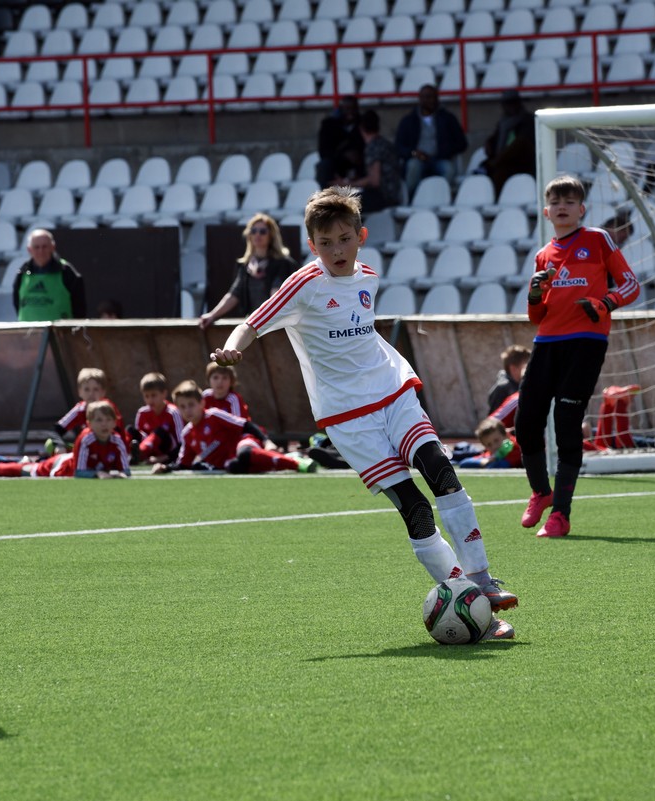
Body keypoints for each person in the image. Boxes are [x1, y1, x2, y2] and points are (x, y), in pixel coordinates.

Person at [211, 186, 518, 640]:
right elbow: (250, 322)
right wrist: (232, 349)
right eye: (326, 243)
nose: (337, 250)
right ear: (312, 245)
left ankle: (482, 580)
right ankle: (469, 602)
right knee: (415, 508)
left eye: (344, 239)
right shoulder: (303, 284)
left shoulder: (369, 277)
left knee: (440, 469)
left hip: (393, 393)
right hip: (348, 419)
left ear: (361, 236)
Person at [515, 175, 641, 539]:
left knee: (567, 423)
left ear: (581, 209)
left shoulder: (598, 240)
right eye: (556, 202)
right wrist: (534, 295)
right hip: (546, 342)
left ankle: (561, 515)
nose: (562, 207)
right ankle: (540, 492)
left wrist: (605, 303)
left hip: (586, 342)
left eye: (570, 202)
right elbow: (537, 315)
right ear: (546, 212)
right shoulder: (543, 255)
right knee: (525, 422)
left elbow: (630, 284)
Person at [151, 380, 313, 474]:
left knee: (245, 453)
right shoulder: (187, 434)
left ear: (202, 403)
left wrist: (266, 441)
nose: (188, 410)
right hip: (231, 462)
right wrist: (165, 468)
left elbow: (245, 425)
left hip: (245, 441)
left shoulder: (214, 415)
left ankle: (297, 463)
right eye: (182, 407)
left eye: (191, 405)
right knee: (234, 466)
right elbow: (183, 464)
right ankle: (286, 457)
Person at [199, 214, 299, 329]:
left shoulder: (283, 263)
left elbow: (277, 295)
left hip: (277, 324)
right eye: (254, 231)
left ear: (271, 235)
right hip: (254, 324)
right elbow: (233, 294)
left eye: (262, 231)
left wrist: (267, 317)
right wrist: (212, 315)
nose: (257, 234)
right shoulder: (245, 265)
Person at [0, 400, 130, 479]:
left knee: (31, 465)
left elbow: (126, 471)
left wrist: (118, 474)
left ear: (115, 422)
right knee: (29, 470)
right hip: (62, 466)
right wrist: (97, 474)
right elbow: (79, 472)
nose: (104, 424)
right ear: (89, 423)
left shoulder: (117, 441)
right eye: (99, 420)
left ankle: (11, 460)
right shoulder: (86, 439)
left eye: (108, 420)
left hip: (70, 460)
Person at [394, 84, 469, 193]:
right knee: (413, 166)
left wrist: (445, 151)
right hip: (417, 158)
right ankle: (411, 197)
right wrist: (414, 153)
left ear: (437, 98)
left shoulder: (447, 118)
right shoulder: (408, 120)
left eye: (431, 97)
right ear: (420, 99)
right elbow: (398, 147)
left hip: (440, 158)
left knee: (448, 169)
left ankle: (441, 195)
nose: (428, 100)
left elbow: (462, 143)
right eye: (424, 97)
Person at [11, 228, 86, 321]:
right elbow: (17, 303)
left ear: (53, 247)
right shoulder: (22, 272)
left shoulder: (65, 271)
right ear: (29, 249)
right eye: (36, 247)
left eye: (45, 246)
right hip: (28, 330)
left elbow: (79, 307)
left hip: (60, 330)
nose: (41, 251)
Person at [54, 367, 129, 448]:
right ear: (79, 392)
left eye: (95, 389)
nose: (91, 394)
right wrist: (59, 445)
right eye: (87, 389)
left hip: (114, 449)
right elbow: (57, 429)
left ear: (103, 392)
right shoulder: (79, 409)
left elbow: (116, 434)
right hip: (90, 450)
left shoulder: (108, 408)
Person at [479, 90, 536, 193]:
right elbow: (495, 139)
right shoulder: (503, 122)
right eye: (507, 104)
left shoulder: (528, 120)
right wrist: (489, 143)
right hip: (501, 163)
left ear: (519, 103)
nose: (510, 107)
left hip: (520, 164)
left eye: (513, 103)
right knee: (481, 173)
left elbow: (523, 144)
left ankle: (496, 197)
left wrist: (496, 161)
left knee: (499, 173)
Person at [349, 109, 403, 213]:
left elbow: (374, 181)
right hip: (393, 194)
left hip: (383, 197)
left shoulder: (373, 147)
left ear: (361, 129)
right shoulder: (386, 144)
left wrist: (351, 184)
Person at [133, 372, 184, 465]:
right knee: (130, 431)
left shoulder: (173, 412)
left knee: (159, 432)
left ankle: (139, 453)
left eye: (153, 395)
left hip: (168, 453)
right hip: (149, 451)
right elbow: (138, 436)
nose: (150, 400)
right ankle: (134, 454)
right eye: (146, 396)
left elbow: (182, 442)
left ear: (164, 393)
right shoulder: (142, 413)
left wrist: (164, 457)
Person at [316, 95, 364, 188]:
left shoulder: (362, 123)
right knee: (324, 165)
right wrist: (344, 155)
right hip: (337, 163)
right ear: (341, 109)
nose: (350, 112)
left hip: (359, 163)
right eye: (347, 109)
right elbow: (324, 151)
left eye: (353, 109)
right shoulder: (329, 125)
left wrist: (358, 155)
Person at [487, 344, 530, 415]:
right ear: (513, 368)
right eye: (526, 366)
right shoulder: (502, 389)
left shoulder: (521, 384)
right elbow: (495, 418)